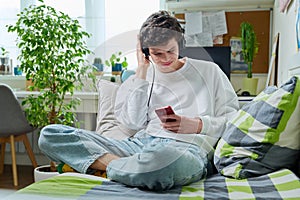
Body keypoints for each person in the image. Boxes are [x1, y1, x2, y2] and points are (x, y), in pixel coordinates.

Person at [39, 10, 239, 190]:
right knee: (50, 134)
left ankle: (107, 167)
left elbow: (233, 120)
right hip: (140, 145)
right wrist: (142, 71)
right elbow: (132, 124)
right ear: (145, 52)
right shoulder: (141, 76)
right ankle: (127, 169)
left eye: (171, 50)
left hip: (186, 149)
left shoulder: (209, 71)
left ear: (180, 44)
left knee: (165, 163)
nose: (166, 59)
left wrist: (197, 125)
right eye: (156, 54)